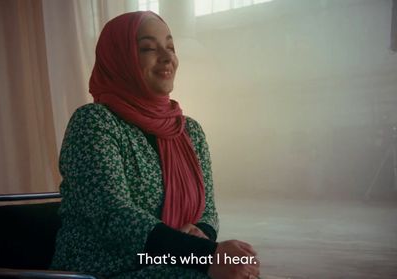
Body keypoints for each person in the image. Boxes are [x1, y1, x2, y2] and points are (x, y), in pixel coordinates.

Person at [50, 11, 260, 279]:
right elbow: (114, 216)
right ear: (119, 59)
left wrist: (201, 236)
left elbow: (207, 209)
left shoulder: (189, 131)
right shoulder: (94, 122)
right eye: (148, 48)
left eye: (170, 47)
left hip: (167, 260)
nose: (167, 56)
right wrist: (205, 254)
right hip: (105, 269)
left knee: (240, 271)